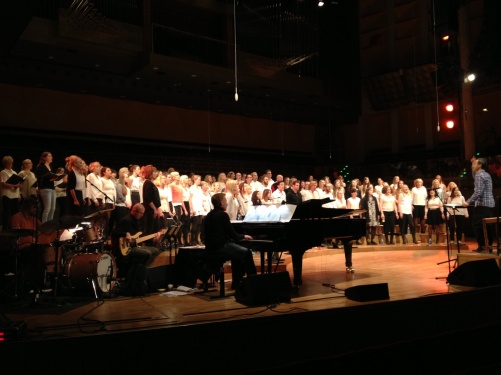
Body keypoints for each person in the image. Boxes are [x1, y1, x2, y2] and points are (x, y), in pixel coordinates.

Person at [203, 193, 257, 289]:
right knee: (247, 252)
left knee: (236, 254)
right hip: (221, 247)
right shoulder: (223, 215)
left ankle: (236, 282)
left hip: (210, 247)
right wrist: (244, 236)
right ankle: (254, 281)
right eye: (225, 201)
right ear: (220, 203)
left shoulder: (208, 215)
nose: (227, 203)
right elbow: (234, 235)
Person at [112, 203, 162, 293]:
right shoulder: (126, 220)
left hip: (135, 245)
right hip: (126, 249)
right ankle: (137, 274)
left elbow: (140, 237)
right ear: (134, 211)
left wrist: (154, 239)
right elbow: (114, 233)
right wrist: (125, 234)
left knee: (156, 251)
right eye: (140, 213)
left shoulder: (139, 221)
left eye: (143, 214)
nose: (141, 216)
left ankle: (140, 272)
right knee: (147, 253)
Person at [462, 157, 495, 253]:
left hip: (482, 204)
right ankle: (488, 246)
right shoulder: (485, 174)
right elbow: (474, 176)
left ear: (480, 165)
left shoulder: (479, 176)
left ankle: (482, 246)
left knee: (477, 225)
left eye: (475, 164)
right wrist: (472, 164)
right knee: (487, 225)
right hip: (489, 204)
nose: (473, 166)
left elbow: (478, 192)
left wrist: (468, 201)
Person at [35, 151, 58, 223]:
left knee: (53, 208)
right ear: (44, 158)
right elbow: (39, 178)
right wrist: (49, 178)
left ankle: (50, 224)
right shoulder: (41, 167)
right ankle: (44, 224)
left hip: (51, 188)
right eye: (49, 156)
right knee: (47, 208)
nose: (51, 157)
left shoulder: (50, 167)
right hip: (45, 188)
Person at [1, 155, 22, 229]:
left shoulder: (14, 172)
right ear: (5, 163)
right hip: (7, 195)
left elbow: (17, 183)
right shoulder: (3, 172)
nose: (10, 164)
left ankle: (14, 227)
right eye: (8, 163)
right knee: (6, 213)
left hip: (15, 195)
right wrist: (14, 185)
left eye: (11, 162)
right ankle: (5, 228)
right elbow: (3, 183)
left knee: (15, 213)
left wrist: (19, 194)